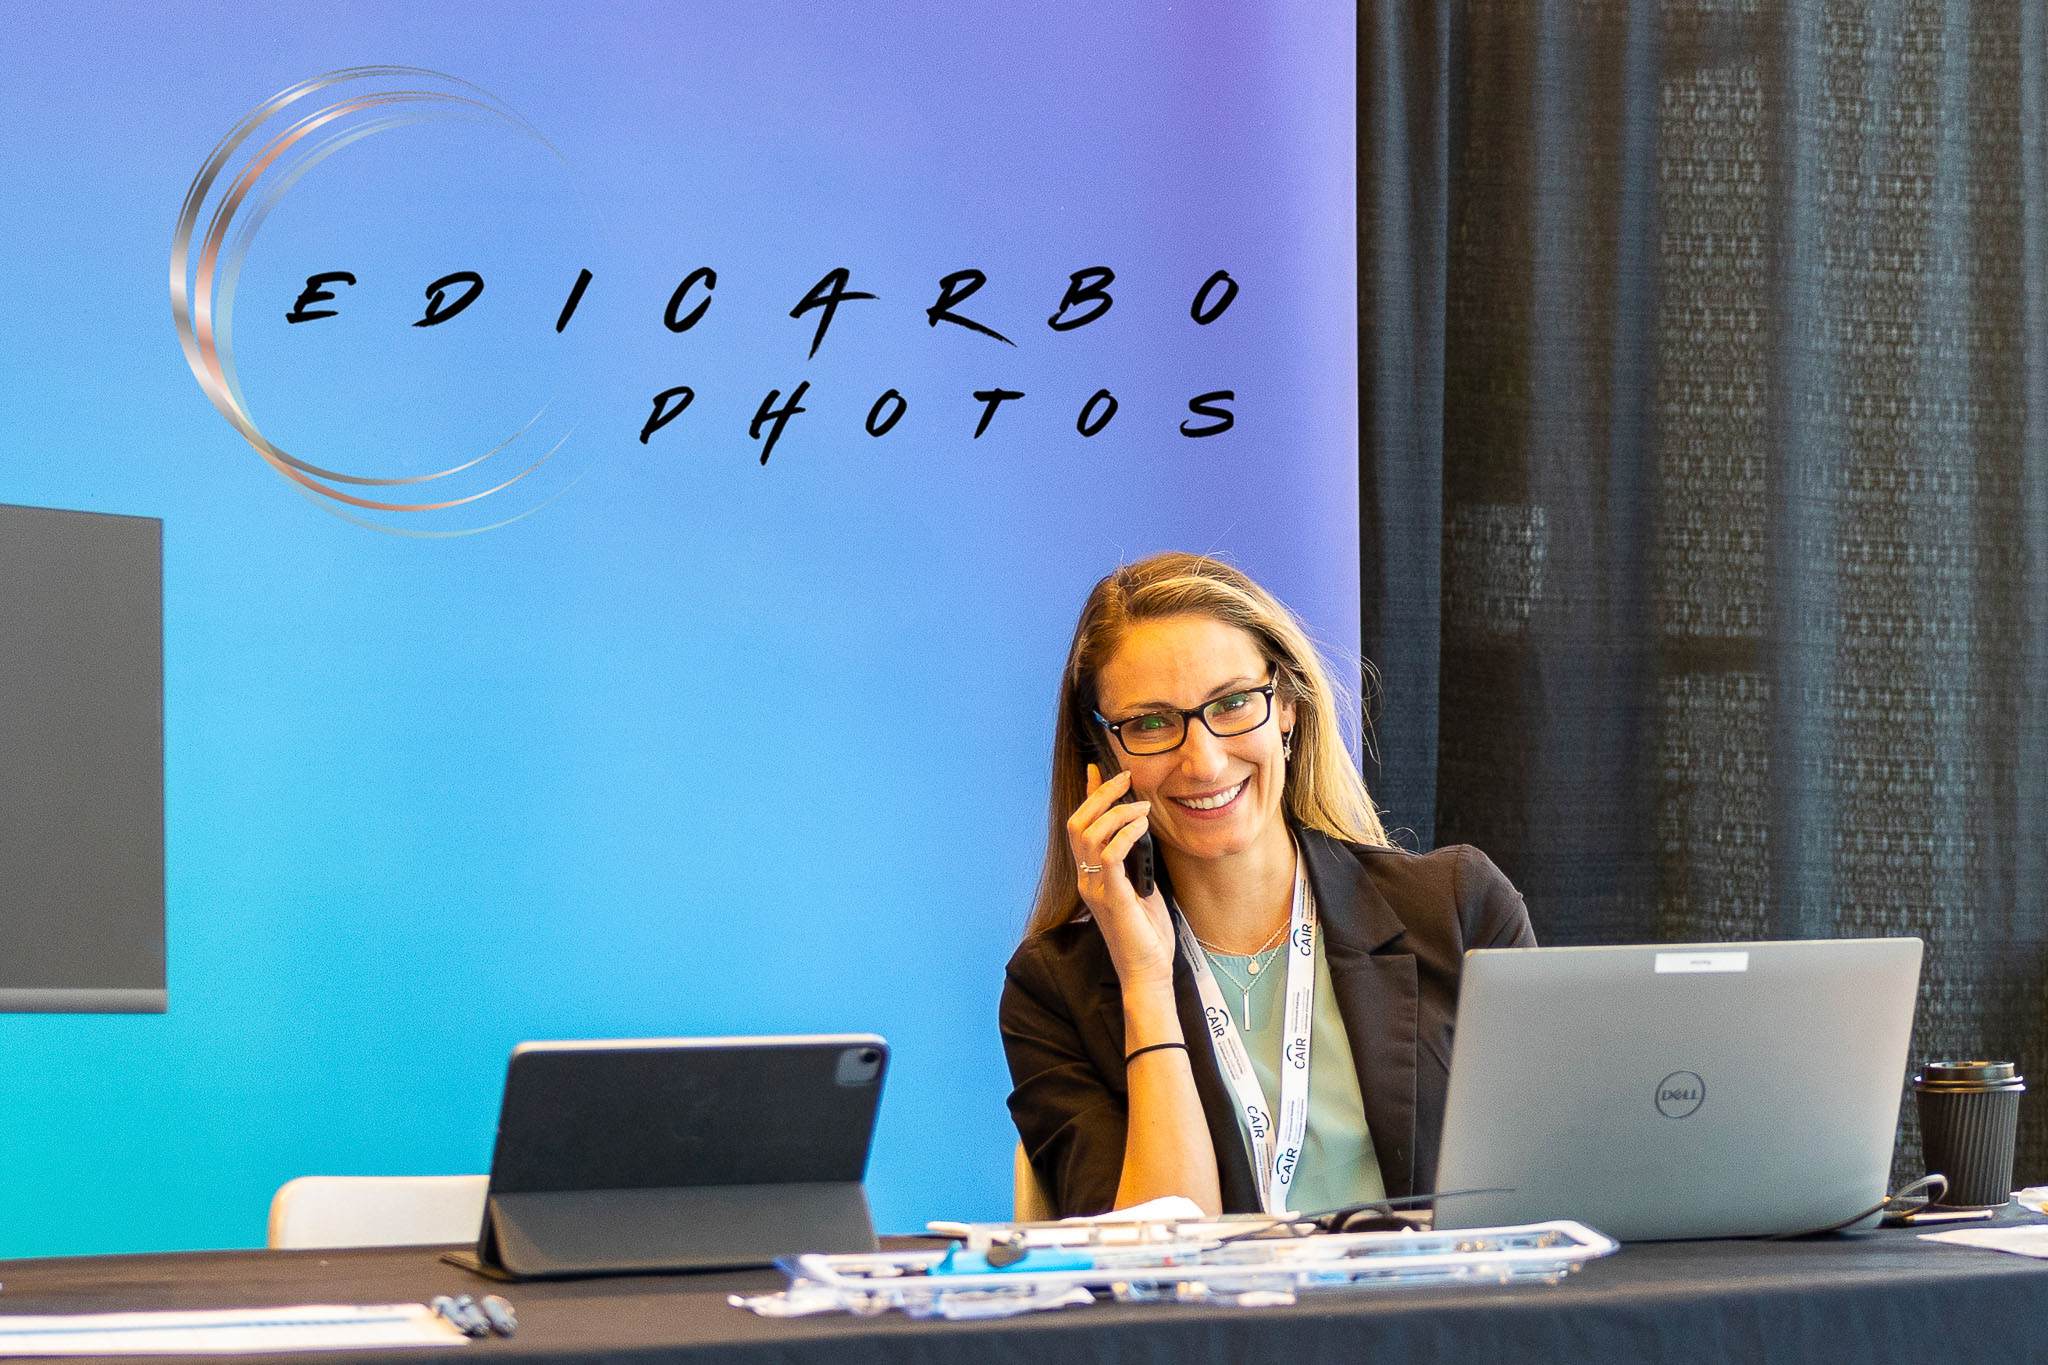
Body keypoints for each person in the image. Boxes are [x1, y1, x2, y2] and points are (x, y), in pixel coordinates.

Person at [1001, 552, 1534, 1218]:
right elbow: (1154, 1262)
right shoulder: (1054, 990)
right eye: (1152, 723)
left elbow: (1546, 1196)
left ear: (1285, 706)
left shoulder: (1459, 911)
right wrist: (1144, 978)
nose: (1204, 759)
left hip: (1439, 1318)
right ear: (1104, 751)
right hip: (1215, 1325)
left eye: (1231, 703)